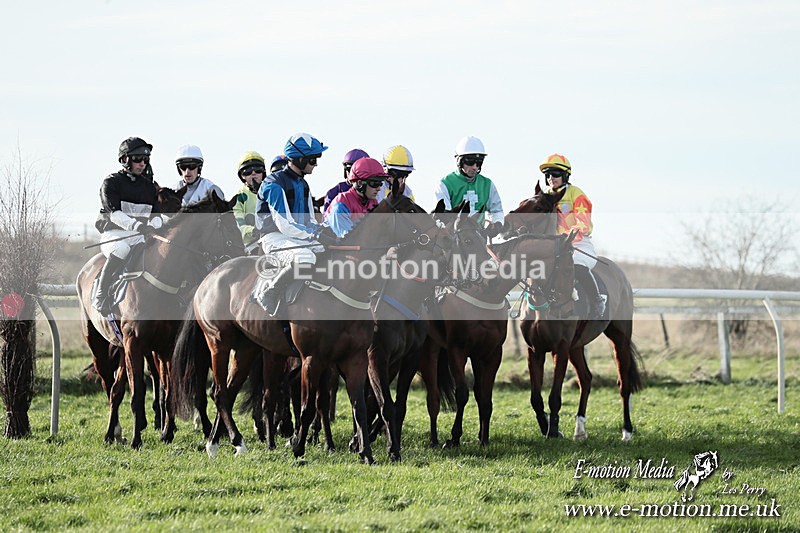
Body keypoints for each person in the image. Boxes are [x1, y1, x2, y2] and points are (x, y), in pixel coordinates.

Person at [256, 132, 337, 314]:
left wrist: (325, 231)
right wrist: (315, 235)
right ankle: (269, 292)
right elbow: (285, 224)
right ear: (300, 159)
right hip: (274, 237)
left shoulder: (303, 184)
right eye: (313, 160)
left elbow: (308, 220)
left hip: (295, 237)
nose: (316, 164)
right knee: (306, 258)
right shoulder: (273, 183)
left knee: (329, 251)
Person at [92, 137, 164, 314]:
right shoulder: (111, 182)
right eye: (138, 159)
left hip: (139, 235)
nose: (142, 164)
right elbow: (114, 214)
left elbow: (157, 216)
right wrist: (139, 226)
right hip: (114, 235)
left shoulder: (148, 187)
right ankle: (100, 296)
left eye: (145, 160)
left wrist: (153, 227)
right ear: (125, 160)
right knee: (122, 249)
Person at [540, 153, 606, 319]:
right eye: (547, 174)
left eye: (555, 174)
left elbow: (582, 224)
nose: (551, 178)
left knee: (576, 264)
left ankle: (597, 300)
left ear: (565, 175)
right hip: (554, 245)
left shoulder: (577, 194)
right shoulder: (545, 196)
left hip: (579, 244)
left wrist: (565, 238)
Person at [434, 135, 504, 235]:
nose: (475, 167)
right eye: (470, 162)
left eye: (479, 162)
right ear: (459, 161)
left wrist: (497, 225)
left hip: (478, 239)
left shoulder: (487, 184)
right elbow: (444, 217)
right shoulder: (445, 184)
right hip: (454, 239)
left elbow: (497, 211)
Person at [324, 157, 387, 237]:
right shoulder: (341, 204)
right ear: (360, 183)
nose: (379, 188)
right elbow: (348, 240)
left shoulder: (373, 202)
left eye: (380, 183)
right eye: (374, 183)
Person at [232, 151, 267, 253]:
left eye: (258, 169)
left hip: (274, 239)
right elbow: (238, 226)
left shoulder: (273, 192)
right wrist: (254, 231)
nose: (253, 173)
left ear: (263, 173)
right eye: (247, 171)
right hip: (252, 244)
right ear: (242, 176)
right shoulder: (239, 198)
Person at [322, 148, 369, 213]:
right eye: (350, 169)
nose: (353, 174)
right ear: (345, 169)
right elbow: (326, 220)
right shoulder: (334, 192)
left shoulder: (374, 190)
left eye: (359, 170)